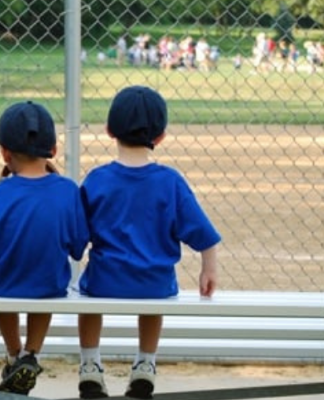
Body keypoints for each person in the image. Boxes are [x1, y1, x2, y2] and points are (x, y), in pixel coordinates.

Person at [77, 86, 221, 400]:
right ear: (161, 137)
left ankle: (89, 366)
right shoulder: (170, 182)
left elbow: (76, 237)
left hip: (105, 282)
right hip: (155, 284)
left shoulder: (97, 179)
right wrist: (209, 267)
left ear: (109, 131)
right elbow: (203, 233)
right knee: (155, 293)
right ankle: (145, 365)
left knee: (85, 295)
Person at [0, 101, 90, 395]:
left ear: (5, 153)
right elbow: (78, 247)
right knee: (47, 278)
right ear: (53, 150)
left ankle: (14, 353)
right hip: (48, 284)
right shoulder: (68, 190)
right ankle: (31, 353)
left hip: (1, 285)